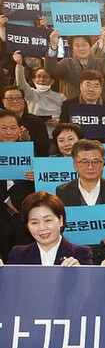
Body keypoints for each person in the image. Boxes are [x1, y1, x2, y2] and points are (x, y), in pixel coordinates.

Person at [7, 192, 93, 266]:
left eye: (48, 220)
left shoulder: (82, 253)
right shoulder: (18, 254)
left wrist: (80, 273)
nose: (42, 228)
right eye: (34, 223)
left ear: (60, 220)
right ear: (27, 225)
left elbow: (90, 280)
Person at [56, 139, 105, 230]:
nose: (90, 167)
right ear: (75, 165)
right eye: (85, 162)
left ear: (102, 164)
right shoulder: (63, 191)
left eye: (95, 162)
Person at [44, 29, 105, 103]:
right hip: (74, 106)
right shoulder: (67, 64)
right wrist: (53, 46)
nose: (81, 48)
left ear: (90, 46)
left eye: (84, 45)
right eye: (77, 46)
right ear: (72, 49)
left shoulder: (100, 63)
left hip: (99, 105)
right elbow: (51, 71)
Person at [0, 110, 36, 260]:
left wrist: (37, 175)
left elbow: (45, 180)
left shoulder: (28, 150)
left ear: (19, 129)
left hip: (24, 210)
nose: (9, 132)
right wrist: (6, 200)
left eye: (13, 128)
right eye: (3, 128)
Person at [13, 52, 66, 136]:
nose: (42, 79)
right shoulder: (31, 93)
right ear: (33, 80)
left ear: (52, 81)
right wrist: (19, 65)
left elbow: (67, 116)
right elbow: (21, 83)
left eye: (45, 77)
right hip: (35, 132)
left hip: (56, 133)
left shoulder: (61, 97)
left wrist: (58, 122)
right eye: (38, 76)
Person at [1, 86, 49, 156]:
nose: (15, 101)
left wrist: (28, 139)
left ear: (24, 101)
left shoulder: (36, 121)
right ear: (3, 102)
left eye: (18, 98)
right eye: (10, 98)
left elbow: (44, 147)